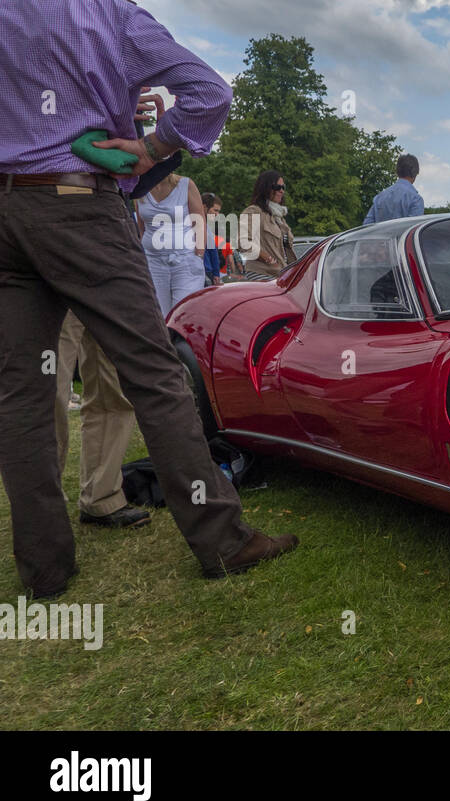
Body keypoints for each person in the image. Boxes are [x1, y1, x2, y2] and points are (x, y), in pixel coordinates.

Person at [0, 0, 297, 599]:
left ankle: (44, 568)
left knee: (22, 394)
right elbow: (210, 92)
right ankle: (222, 538)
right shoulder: (109, 14)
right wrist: (154, 145)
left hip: (7, 210)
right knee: (155, 371)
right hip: (79, 200)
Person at [54, 312, 148, 529]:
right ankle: (42, 503)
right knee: (48, 394)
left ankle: (101, 497)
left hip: (105, 287)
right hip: (51, 285)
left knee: (112, 393)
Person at [136, 172, 207, 313]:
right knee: (157, 313)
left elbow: (199, 223)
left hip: (185, 261)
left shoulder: (186, 184)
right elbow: (141, 228)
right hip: (152, 262)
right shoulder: (139, 188)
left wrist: (198, 256)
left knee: (182, 312)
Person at [240, 170, 296, 280]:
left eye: (283, 187)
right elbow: (244, 243)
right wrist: (270, 260)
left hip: (281, 274)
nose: (281, 191)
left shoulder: (279, 218)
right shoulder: (254, 211)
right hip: (262, 274)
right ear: (265, 188)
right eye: (277, 187)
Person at [364, 154, 424, 225]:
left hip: (378, 236)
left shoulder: (379, 198)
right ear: (415, 173)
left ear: (397, 172)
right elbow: (412, 230)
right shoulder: (415, 200)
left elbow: (367, 226)